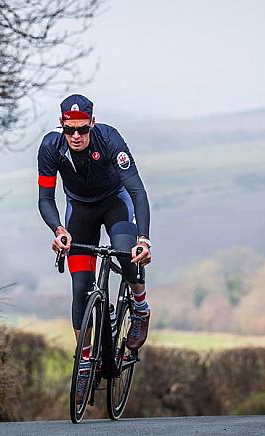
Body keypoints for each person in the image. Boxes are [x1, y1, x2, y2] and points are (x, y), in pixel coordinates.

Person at [37, 94, 152, 357]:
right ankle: (85, 359)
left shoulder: (109, 139)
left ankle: (140, 307)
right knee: (80, 286)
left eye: (82, 129)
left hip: (115, 203)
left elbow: (137, 191)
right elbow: (45, 199)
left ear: (92, 123)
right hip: (80, 210)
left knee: (126, 252)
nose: (76, 136)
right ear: (61, 124)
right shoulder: (51, 147)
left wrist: (143, 240)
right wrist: (58, 230)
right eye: (69, 130)